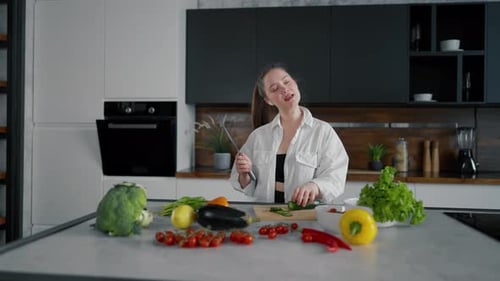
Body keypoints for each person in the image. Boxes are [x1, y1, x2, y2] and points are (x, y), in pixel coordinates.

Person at [229, 63, 349, 206]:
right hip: (265, 215)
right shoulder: (258, 137)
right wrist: (244, 173)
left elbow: (335, 177)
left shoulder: (323, 131)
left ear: (295, 84)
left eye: (286, 82)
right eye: (274, 89)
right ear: (268, 100)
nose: (284, 89)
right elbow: (245, 184)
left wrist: (315, 186)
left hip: (305, 215)